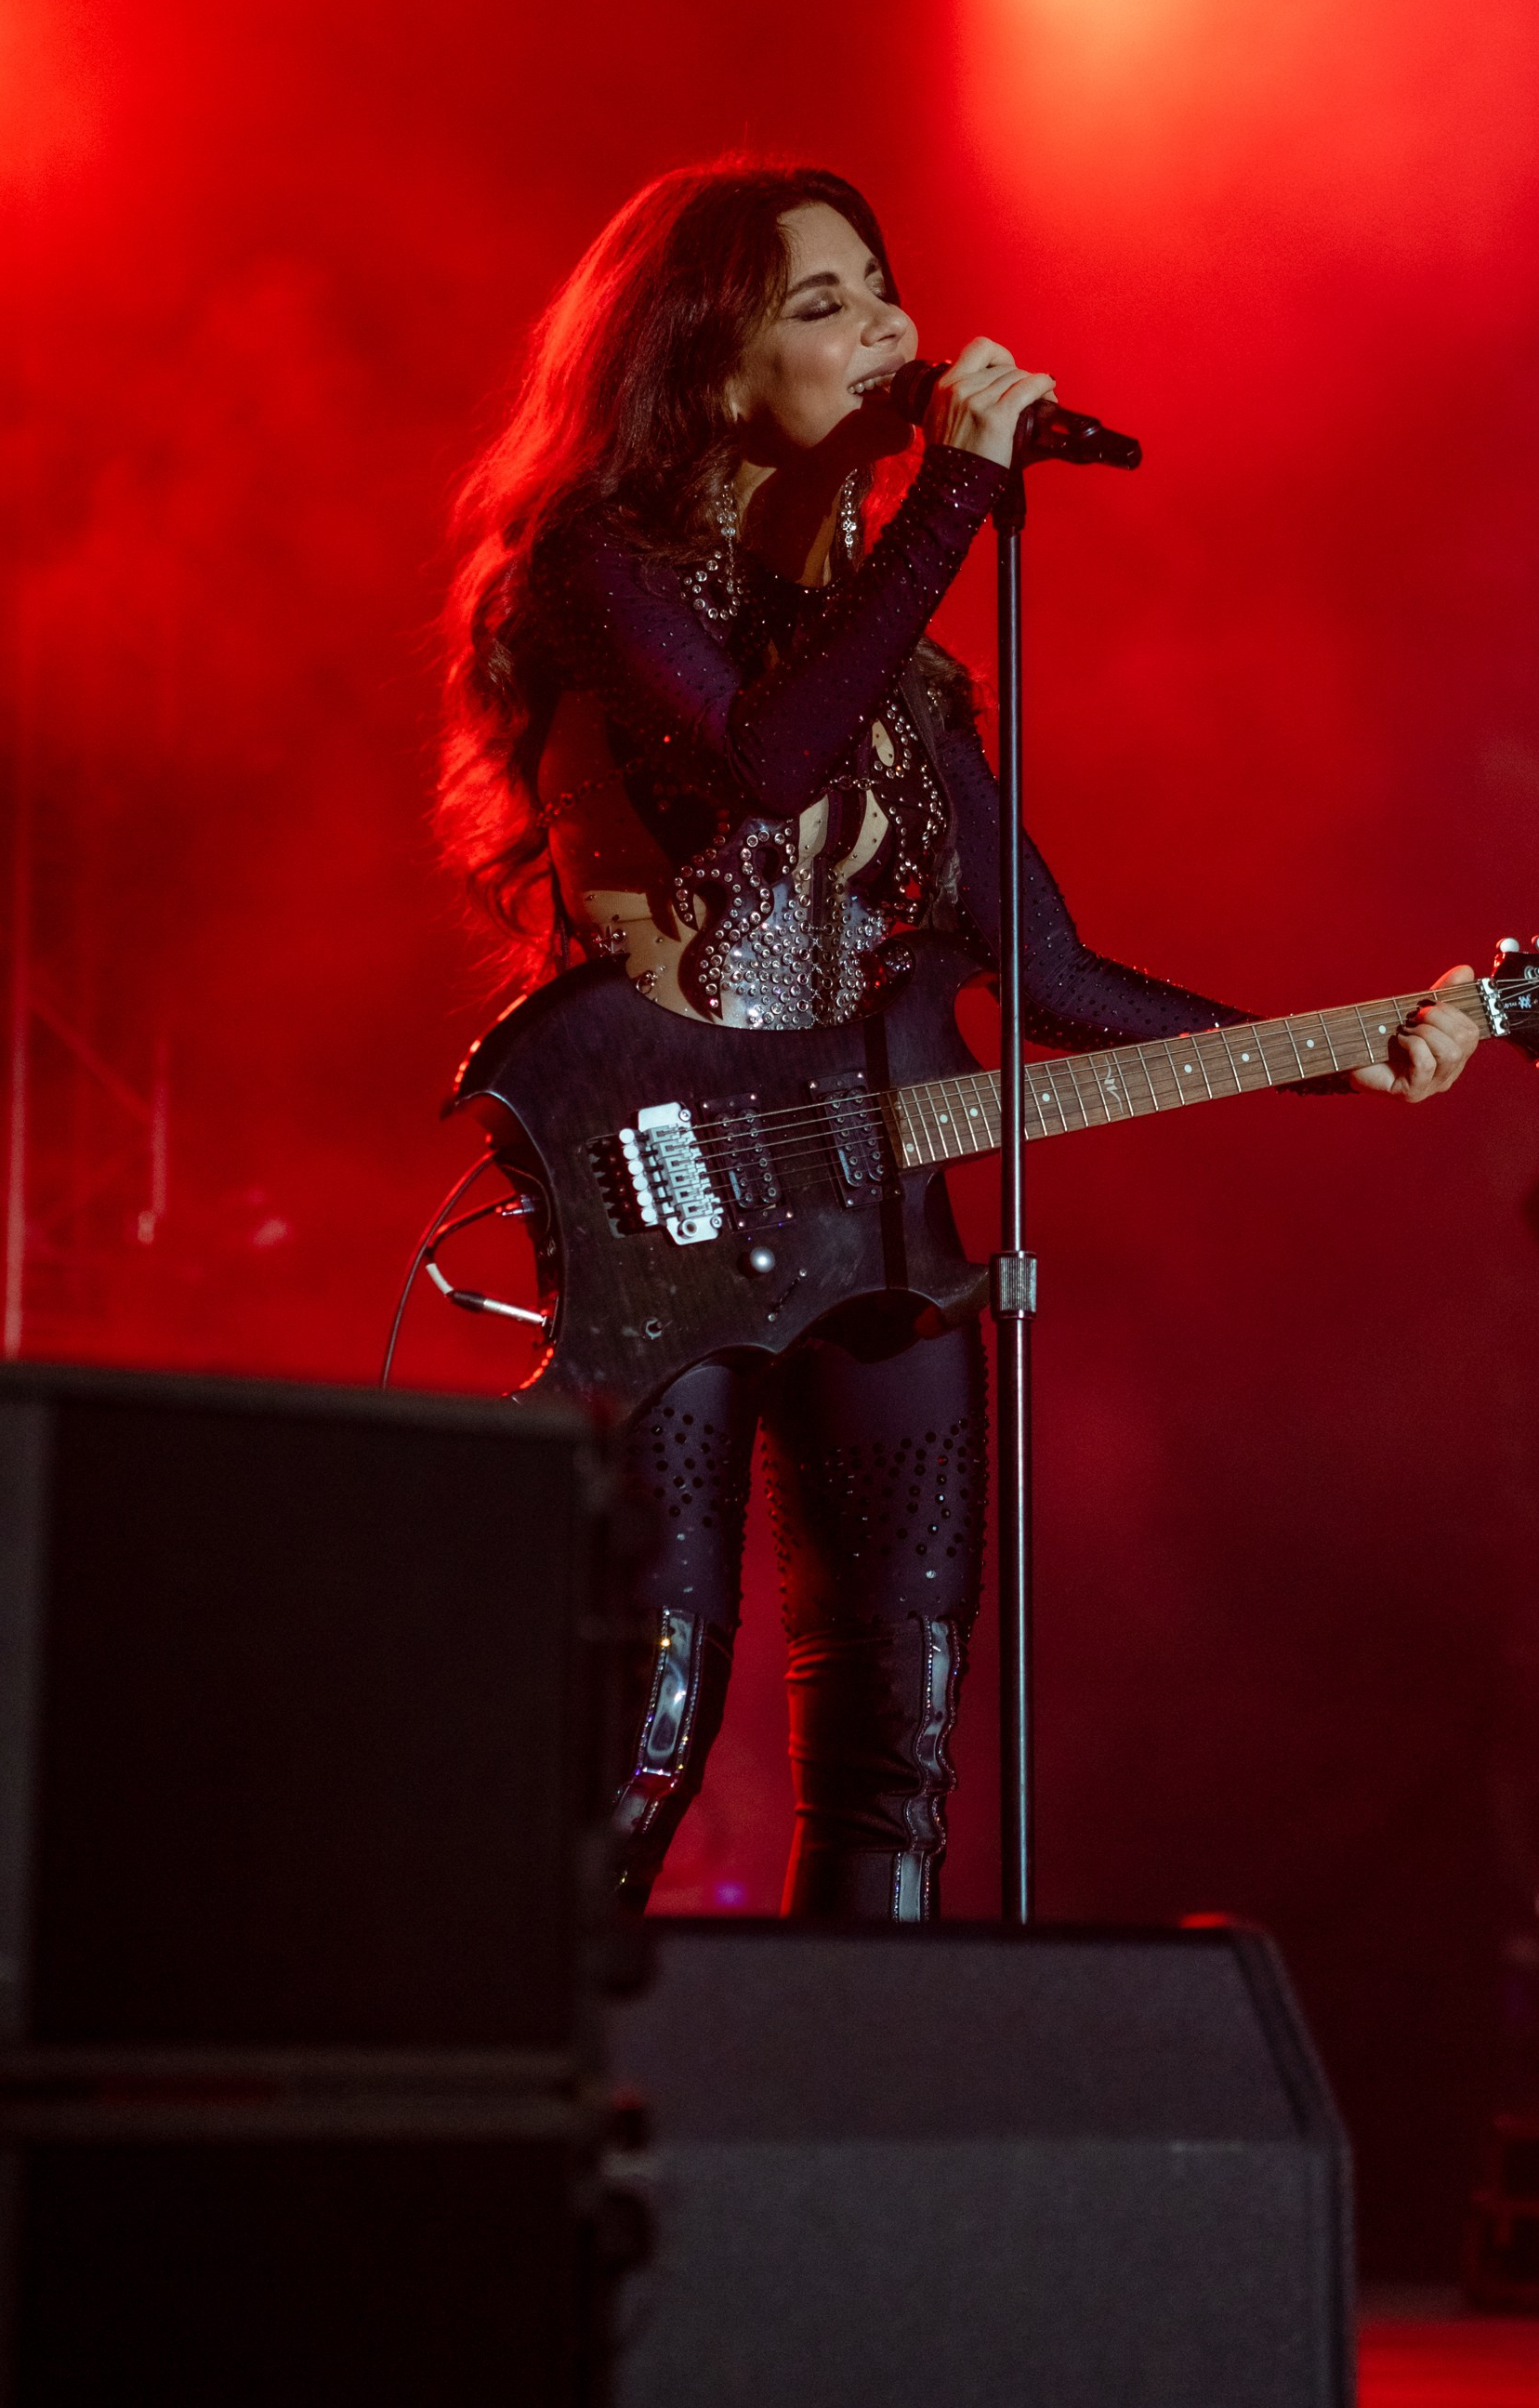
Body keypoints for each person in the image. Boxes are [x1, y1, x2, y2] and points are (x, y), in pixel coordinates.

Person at [441, 161, 1483, 1920]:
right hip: (666, 1213)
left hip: (883, 1233)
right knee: (643, 1729)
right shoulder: (600, 569)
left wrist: (1339, 1045)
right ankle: (522, 2127)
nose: (887, 332)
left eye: (883, 290)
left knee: (894, 1761)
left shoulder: (911, 685)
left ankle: (854, 2146)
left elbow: (1052, 974)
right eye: (821, 303)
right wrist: (956, 499)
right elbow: (761, 765)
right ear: (705, 365)